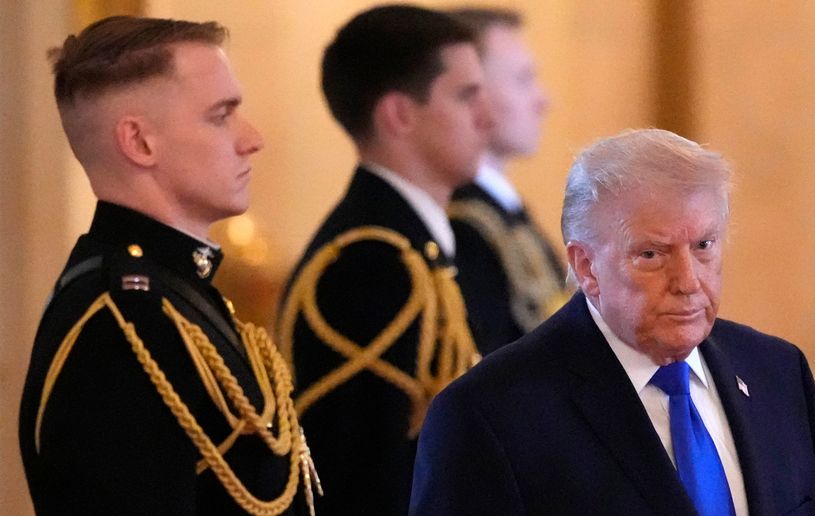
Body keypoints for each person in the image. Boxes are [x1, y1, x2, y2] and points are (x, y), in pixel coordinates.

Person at [411, 129, 815, 515]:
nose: (688, 282)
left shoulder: (778, 373)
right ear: (586, 266)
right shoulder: (489, 416)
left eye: (703, 245)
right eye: (652, 255)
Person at [19, 16, 319, 515]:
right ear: (139, 142)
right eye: (220, 115)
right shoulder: (121, 325)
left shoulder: (181, 296)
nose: (252, 139)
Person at [275, 5, 491, 514]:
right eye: (465, 97)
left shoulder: (417, 245)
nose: (489, 117)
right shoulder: (372, 262)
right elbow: (370, 478)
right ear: (399, 114)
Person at [446, 7, 568, 355]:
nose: (543, 100)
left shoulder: (502, 211)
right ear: (473, 94)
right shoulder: (467, 225)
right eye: (523, 79)